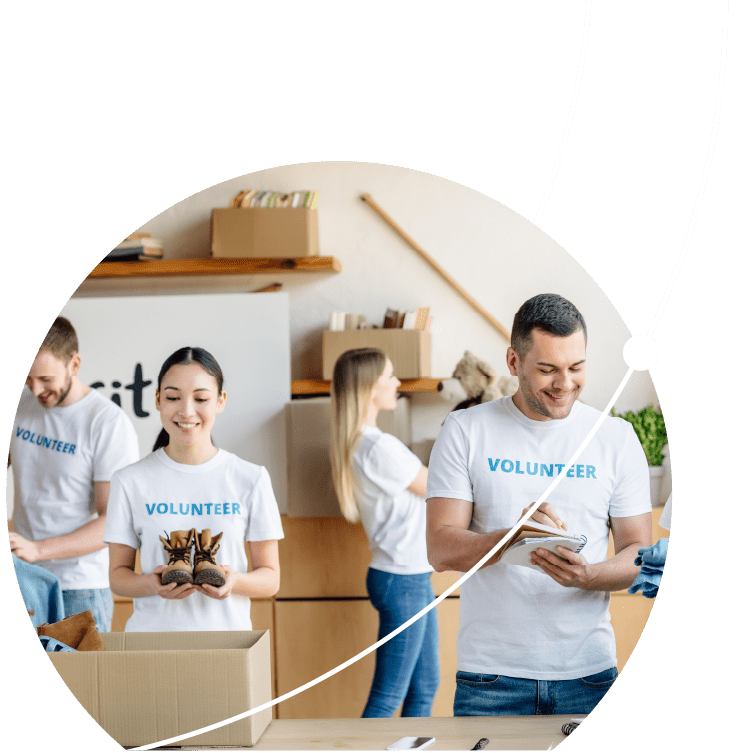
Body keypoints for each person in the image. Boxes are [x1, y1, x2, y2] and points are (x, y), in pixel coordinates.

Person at [426, 293, 653, 716]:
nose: (564, 383)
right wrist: (511, 540)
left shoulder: (615, 439)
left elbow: (641, 554)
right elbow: (439, 549)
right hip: (490, 679)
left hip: (591, 676)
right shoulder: (465, 430)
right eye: (547, 369)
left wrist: (586, 575)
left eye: (576, 367)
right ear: (513, 362)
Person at [103, 346, 283, 632]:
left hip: (228, 645)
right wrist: (153, 583)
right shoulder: (129, 480)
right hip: (151, 645)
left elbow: (270, 579)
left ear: (220, 401)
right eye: (173, 397)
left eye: (201, 398)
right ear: (158, 400)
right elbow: (117, 576)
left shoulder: (251, 478)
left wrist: (233, 581)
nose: (187, 411)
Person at [9, 317, 140, 633]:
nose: (36, 389)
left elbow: (113, 521)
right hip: (23, 580)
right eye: (27, 379)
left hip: (79, 588)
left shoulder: (107, 424)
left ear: (74, 364)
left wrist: (38, 550)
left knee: (76, 683)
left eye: (45, 378)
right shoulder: (21, 405)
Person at [330, 348, 439, 718]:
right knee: (388, 696)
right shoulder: (379, 447)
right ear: (368, 387)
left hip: (409, 575)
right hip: (401, 579)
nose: (397, 383)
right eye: (390, 376)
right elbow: (436, 486)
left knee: (424, 687)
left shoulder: (367, 443)